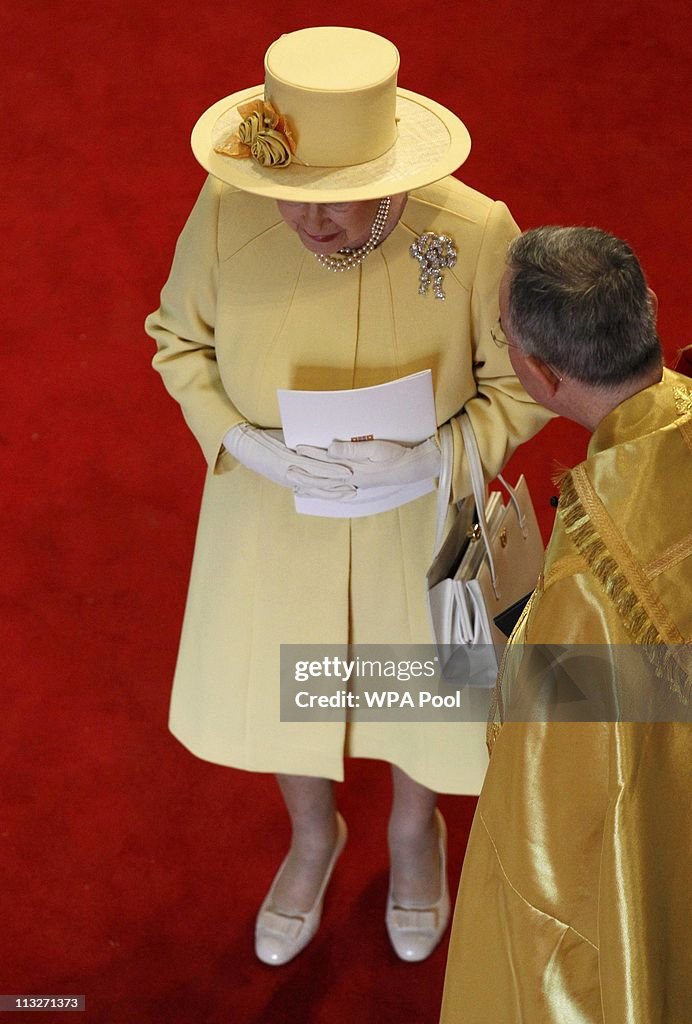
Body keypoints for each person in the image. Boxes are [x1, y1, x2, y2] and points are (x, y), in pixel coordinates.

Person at [145, 27, 549, 967]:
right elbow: (177, 338)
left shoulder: (479, 229)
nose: (310, 221)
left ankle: (415, 834)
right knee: (288, 682)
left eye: (337, 200)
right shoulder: (224, 207)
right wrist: (237, 439)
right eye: (292, 199)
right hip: (273, 510)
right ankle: (313, 835)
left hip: (426, 513)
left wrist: (446, 458)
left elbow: (524, 381)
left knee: (425, 697)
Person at [440, 227, 691, 1022]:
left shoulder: (592, 581)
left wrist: (510, 643)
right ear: (644, 311)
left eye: (505, 340)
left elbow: (553, 820)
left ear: (542, 375)